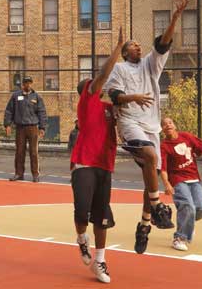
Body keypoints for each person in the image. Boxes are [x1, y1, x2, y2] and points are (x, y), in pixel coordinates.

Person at [105, 0, 189, 254]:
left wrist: (175, 18)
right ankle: (157, 207)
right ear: (125, 52)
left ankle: (144, 226)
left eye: (139, 44)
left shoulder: (150, 65)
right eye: (132, 45)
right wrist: (134, 98)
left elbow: (163, 43)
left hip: (151, 126)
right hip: (129, 122)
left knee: (149, 177)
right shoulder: (119, 69)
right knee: (151, 155)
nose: (138, 46)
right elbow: (115, 96)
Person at [70, 27, 123, 284]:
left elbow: (124, 105)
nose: (99, 87)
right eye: (94, 86)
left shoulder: (107, 108)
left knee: (101, 216)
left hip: (105, 165)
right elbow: (103, 76)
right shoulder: (87, 103)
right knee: (82, 213)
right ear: (88, 91)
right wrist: (118, 49)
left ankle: (100, 261)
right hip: (84, 164)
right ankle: (82, 240)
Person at [160, 117, 202, 251]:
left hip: (193, 178)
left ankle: (188, 225)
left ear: (174, 125)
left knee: (201, 208)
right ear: (162, 129)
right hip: (177, 179)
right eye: (164, 124)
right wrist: (167, 184)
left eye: (170, 122)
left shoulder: (186, 136)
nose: (167, 125)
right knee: (187, 206)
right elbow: (163, 168)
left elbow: (201, 147)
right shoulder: (164, 146)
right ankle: (179, 238)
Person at [4, 75, 47, 182]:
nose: (28, 84)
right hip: (20, 128)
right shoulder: (15, 96)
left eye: (29, 82)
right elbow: (9, 110)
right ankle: (19, 174)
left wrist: (42, 127)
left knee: (34, 152)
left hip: (33, 128)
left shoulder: (36, 97)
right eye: (26, 83)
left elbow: (42, 112)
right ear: (23, 84)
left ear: (31, 84)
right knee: (19, 152)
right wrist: (7, 124)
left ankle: (35, 175)